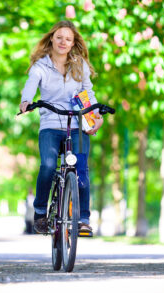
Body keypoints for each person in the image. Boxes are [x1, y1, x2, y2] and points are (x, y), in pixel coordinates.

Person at [19, 20, 104, 235]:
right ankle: (40, 211)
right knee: (48, 165)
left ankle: (83, 219)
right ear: (51, 39)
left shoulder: (80, 65)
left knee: (81, 171)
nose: (63, 42)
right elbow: (31, 84)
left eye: (68, 38)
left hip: (77, 124)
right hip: (50, 123)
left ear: (73, 42)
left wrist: (94, 116)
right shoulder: (41, 66)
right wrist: (26, 101)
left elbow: (88, 93)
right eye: (59, 38)